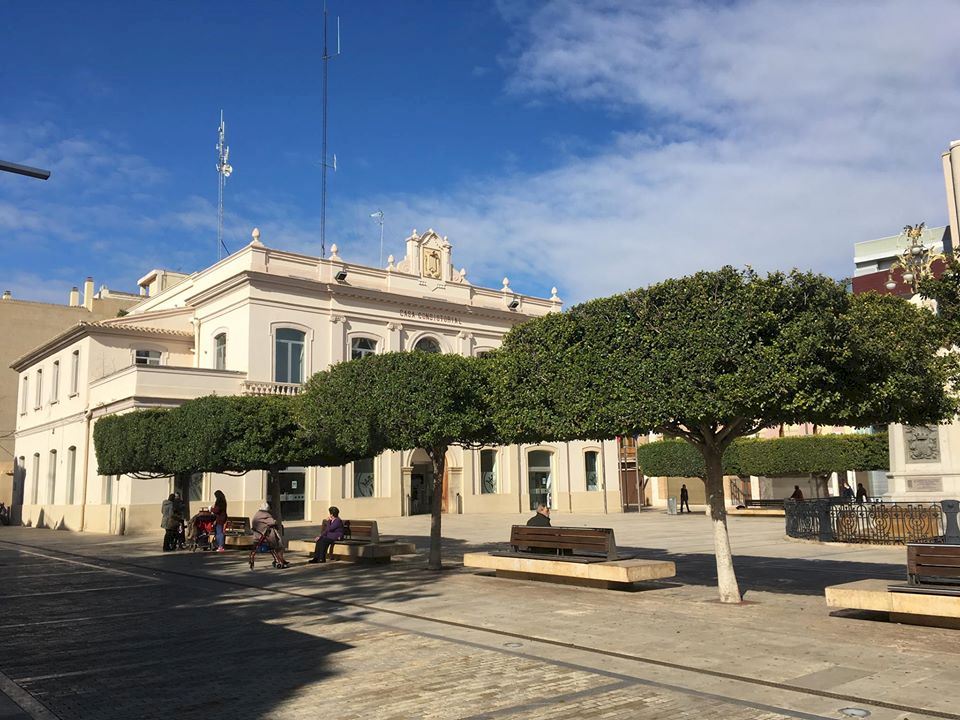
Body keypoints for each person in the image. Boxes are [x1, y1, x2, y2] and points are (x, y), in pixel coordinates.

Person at [251, 502, 289, 569]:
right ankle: (281, 560)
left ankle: (281, 559)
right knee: (279, 544)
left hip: (257, 536)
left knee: (277, 544)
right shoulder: (265, 515)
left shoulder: (257, 514)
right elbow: (273, 522)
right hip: (265, 537)